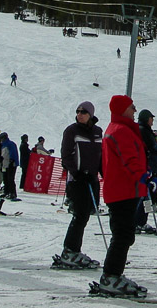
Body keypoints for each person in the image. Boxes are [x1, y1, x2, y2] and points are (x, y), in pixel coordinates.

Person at [99, 94, 153, 297]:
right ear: (123, 109)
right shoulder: (121, 130)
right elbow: (129, 157)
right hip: (123, 190)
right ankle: (111, 275)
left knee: (124, 234)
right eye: (132, 107)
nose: (134, 111)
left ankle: (113, 274)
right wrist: (143, 176)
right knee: (123, 235)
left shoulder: (120, 129)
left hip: (125, 189)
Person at [58, 100, 103, 269]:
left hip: (91, 179)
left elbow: (100, 155)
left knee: (85, 215)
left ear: (90, 114)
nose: (80, 115)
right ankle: (70, 250)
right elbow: (66, 155)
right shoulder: (72, 131)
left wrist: (102, 173)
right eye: (78, 112)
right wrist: (76, 173)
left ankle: (74, 250)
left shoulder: (97, 132)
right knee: (79, 215)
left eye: (83, 112)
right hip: (77, 180)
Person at [0, 132, 19, 200]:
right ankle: (6, 191)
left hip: (10, 164)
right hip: (5, 164)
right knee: (5, 178)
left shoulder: (10, 144)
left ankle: (12, 193)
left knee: (10, 179)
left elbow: (13, 153)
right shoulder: (3, 145)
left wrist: (12, 161)